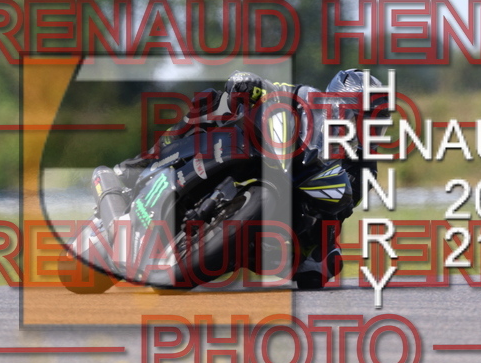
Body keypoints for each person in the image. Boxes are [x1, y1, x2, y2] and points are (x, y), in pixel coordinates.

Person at [114, 69, 388, 288]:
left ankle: (227, 248)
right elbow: (274, 89)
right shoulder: (307, 99)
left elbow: (342, 207)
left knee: (321, 268)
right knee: (214, 100)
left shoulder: (365, 165)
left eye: (378, 121)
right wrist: (252, 84)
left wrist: (334, 202)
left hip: (304, 197)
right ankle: (147, 159)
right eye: (367, 117)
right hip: (274, 153)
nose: (370, 127)